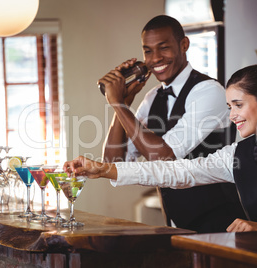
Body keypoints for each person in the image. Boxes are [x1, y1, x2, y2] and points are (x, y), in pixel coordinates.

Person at [65, 64, 257, 233]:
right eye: (229, 107)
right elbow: (177, 172)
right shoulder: (237, 153)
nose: (232, 115)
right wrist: (105, 169)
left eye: (238, 105)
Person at [98, 14, 245, 233]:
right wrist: (121, 106)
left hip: (222, 223)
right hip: (178, 224)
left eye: (163, 48)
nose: (155, 58)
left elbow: (165, 157)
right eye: (147, 51)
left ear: (184, 44)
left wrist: (118, 103)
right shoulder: (151, 98)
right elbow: (113, 163)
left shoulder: (209, 91)